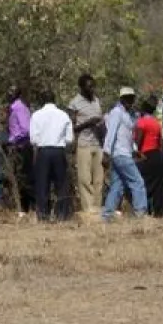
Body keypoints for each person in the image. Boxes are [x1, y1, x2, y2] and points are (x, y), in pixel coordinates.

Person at [102, 87, 148, 219]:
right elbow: (111, 133)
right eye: (126, 98)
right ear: (121, 99)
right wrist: (106, 152)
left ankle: (108, 214)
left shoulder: (128, 114)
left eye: (131, 98)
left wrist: (135, 150)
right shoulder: (116, 112)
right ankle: (140, 212)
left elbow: (127, 136)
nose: (129, 100)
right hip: (120, 153)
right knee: (137, 182)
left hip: (124, 152)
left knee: (118, 184)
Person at [29, 90, 73, 222]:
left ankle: (43, 215)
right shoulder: (64, 115)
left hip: (43, 151)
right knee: (61, 184)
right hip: (59, 150)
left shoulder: (36, 115)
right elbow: (70, 138)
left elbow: (33, 139)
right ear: (55, 100)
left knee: (42, 184)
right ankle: (62, 215)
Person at [68, 74, 105, 218]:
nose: (92, 89)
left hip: (98, 144)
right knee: (84, 179)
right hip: (84, 144)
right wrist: (88, 123)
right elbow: (71, 127)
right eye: (89, 86)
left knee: (99, 178)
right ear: (82, 87)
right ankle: (88, 209)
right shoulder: (74, 103)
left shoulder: (96, 101)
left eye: (93, 86)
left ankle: (97, 207)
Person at [135, 98, 163, 217]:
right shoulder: (156, 122)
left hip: (146, 156)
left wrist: (137, 153)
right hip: (158, 156)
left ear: (143, 110)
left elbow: (138, 141)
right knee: (159, 188)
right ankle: (160, 213)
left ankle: (143, 211)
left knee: (144, 185)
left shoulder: (141, 122)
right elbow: (161, 144)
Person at [6, 87, 34, 215]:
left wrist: (12, 139)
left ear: (18, 93)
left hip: (22, 146)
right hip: (17, 147)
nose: (9, 93)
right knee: (18, 177)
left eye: (12, 91)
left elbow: (26, 129)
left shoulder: (19, 108)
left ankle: (28, 208)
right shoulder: (13, 108)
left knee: (24, 177)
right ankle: (22, 208)